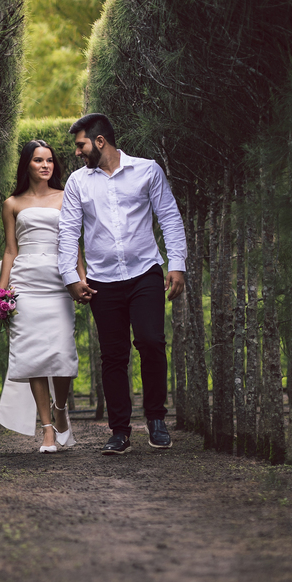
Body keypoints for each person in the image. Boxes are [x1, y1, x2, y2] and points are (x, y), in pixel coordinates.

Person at [58, 113, 187, 455]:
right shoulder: (77, 183)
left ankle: (157, 421)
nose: (77, 152)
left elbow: (169, 216)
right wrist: (71, 277)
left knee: (151, 341)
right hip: (102, 281)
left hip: (145, 272)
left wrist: (177, 264)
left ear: (100, 141)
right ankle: (120, 431)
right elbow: (69, 232)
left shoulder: (147, 170)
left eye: (80, 144)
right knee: (113, 356)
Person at [0, 139, 85, 453]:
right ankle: (47, 430)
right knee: (33, 356)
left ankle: (61, 409)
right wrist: (1, 294)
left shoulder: (66, 197)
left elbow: (75, 244)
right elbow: (10, 250)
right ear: (27, 165)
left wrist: (81, 279)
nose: (45, 165)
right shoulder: (12, 204)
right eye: (38, 160)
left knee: (61, 353)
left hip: (58, 283)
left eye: (49, 160)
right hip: (26, 284)